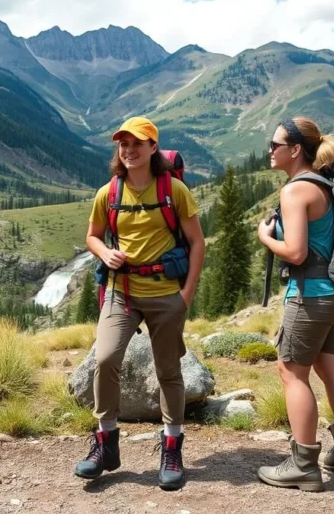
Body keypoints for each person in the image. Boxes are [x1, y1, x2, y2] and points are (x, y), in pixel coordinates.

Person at [73, 116, 205, 490]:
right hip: (121, 291)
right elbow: (93, 236)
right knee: (105, 359)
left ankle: (172, 446)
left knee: (168, 371)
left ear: (152, 148)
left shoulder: (174, 191)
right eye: (123, 144)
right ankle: (105, 443)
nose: (129, 150)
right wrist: (104, 254)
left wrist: (186, 294)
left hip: (166, 294)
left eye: (137, 144)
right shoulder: (108, 193)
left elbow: (197, 241)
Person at [255, 117, 334, 492]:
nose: (270, 150)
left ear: (296, 149)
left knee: (291, 373)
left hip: (311, 296)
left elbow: (296, 252)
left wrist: (265, 237)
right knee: (331, 370)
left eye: (275, 144)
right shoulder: (328, 184)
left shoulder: (296, 191)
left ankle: (303, 464)